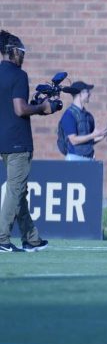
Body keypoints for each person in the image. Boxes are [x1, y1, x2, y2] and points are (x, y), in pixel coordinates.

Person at [0, 30, 54, 253]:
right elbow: (20, 109)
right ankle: (2, 237)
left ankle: (31, 238)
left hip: (3, 142)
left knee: (19, 191)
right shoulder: (19, 75)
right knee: (15, 190)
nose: (23, 56)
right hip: (18, 142)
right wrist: (43, 108)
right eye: (21, 52)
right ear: (12, 52)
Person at [58, 80, 107, 161]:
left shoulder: (88, 116)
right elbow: (73, 140)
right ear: (80, 94)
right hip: (75, 159)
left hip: (89, 158)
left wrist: (104, 134)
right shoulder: (69, 115)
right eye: (87, 91)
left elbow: (89, 141)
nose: (90, 94)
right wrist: (94, 135)